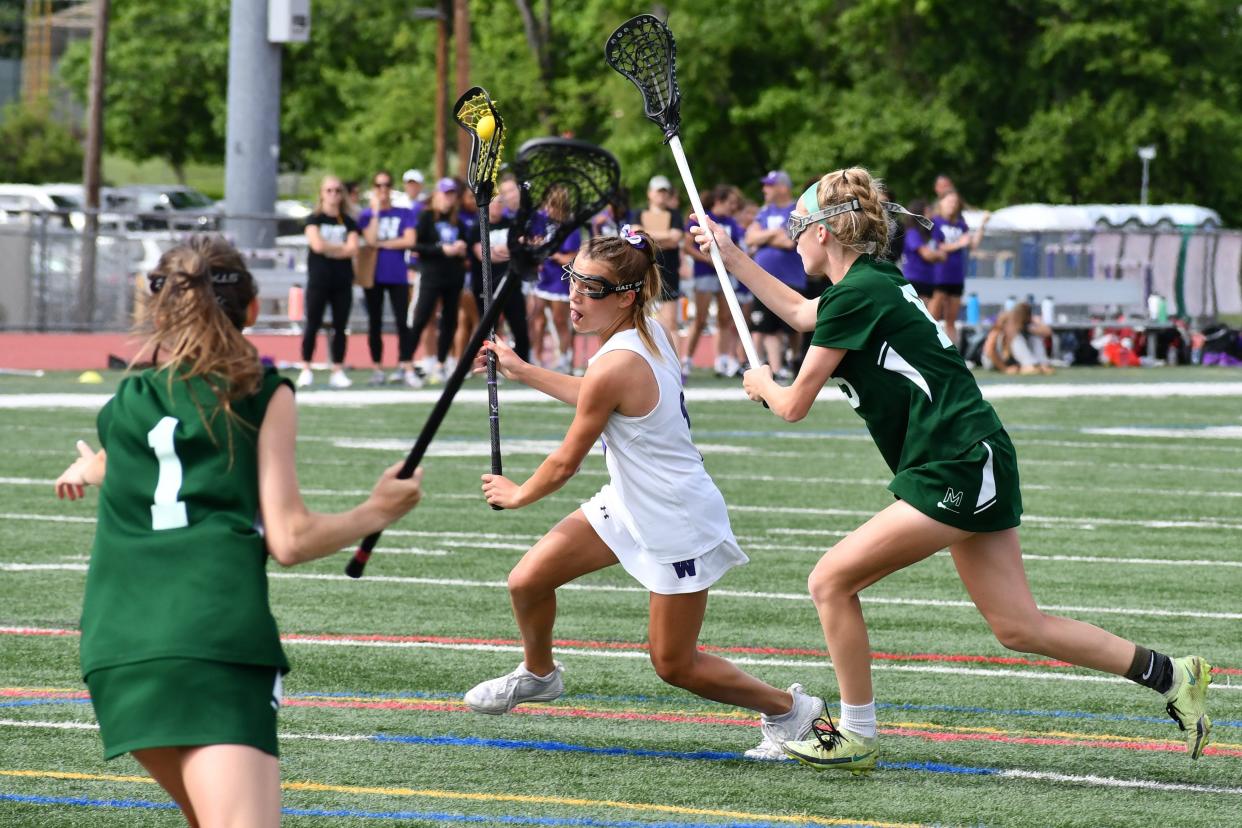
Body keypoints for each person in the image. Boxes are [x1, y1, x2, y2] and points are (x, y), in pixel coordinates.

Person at [689, 166, 1212, 773]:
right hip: (968, 455)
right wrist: (731, 258)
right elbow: (806, 316)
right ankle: (1173, 674)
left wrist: (761, 383)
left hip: (957, 462)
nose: (793, 241)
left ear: (825, 233)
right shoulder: (869, 280)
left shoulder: (858, 293)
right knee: (1018, 625)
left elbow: (793, 406)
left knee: (830, 582)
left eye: (797, 229)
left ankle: (856, 733)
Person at [52, 235, 424, 826]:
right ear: (252, 310)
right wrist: (377, 510)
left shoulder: (122, 405)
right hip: (211, 640)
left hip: (115, 648)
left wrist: (92, 466)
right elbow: (291, 538)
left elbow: (145, 456)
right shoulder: (259, 393)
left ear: (158, 309)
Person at [464, 226, 826, 760]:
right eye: (573, 280)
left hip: (674, 517)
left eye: (592, 288)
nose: (575, 297)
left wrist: (518, 495)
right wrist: (523, 371)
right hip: (629, 501)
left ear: (626, 295)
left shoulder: (618, 360)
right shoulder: (646, 332)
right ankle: (539, 673)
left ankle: (792, 712)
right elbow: (598, 398)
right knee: (527, 580)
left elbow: (567, 460)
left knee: (674, 664)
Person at [297, 175, 359, 389]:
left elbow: (353, 248)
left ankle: (337, 369)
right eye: (329, 190)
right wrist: (339, 249)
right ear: (322, 194)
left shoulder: (348, 221)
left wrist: (331, 248)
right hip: (319, 279)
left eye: (337, 190)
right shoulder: (314, 219)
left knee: (340, 326)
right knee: (312, 323)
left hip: (342, 280)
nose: (333, 194)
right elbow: (317, 246)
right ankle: (306, 367)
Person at [359, 170, 419, 386]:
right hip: (373, 275)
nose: (383, 190)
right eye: (378, 185)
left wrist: (384, 244)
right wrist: (375, 212)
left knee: (402, 322)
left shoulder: (404, 212)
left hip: (397, 274)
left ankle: (406, 364)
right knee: (374, 323)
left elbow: (410, 240)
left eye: (386, 185)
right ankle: (377, 367)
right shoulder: (366, 215)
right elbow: (370, 238)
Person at [408, 178, 470, 383]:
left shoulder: (457, 221)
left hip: (453, 277)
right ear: (436, 194)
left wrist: (461, 248)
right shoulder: (426, 217)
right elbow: (416, 246)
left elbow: (468, 248)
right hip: (431, 276)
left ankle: (441, 364)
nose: (448, 198)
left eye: (452, 194)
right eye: (445, 193)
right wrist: (440, 249)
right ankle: (406, 362)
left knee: (450, 320)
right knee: (422, 318)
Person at [745, 171, 805, 380]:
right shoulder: (764, 212)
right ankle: (778, 368)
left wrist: (763, 237)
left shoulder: (796, 210)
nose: (765, 190)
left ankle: (795, 356)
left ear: (782, 187)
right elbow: (750, 237)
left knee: (792, 325)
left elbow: (790, 241)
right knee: (768, 326)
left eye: (770, 185)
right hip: (764, 277)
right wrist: (774, 234)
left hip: (791, 277)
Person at [466, 173, 530, 361]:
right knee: (489, 327)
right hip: (486, 285)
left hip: (510, 283)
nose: (498, 205)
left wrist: (501, 250)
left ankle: (523, 361)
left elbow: (521, 250)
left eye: (500, 201)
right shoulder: (476, 227)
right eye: (494, 202)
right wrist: (508, 249)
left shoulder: (511, 224)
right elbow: (485, 255)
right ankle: (488, 362)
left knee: (519, 324)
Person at [684, 185, 744, 381]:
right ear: (719, 201)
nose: (733, 207)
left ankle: (722, 360)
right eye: (730, 203)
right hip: (705, 273)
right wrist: (708, 259)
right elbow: (687, 246)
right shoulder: (703, 216)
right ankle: (687, 360)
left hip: (726, 275)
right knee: (700, 319)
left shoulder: (731, 222)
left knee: (725, 318)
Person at [528, 186, 581, 373]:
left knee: (560, 320)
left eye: (554, 206)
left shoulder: (570, 226)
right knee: (537, 318)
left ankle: (565, 358)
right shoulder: (541, 218)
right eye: (549, 205)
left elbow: (571, 257)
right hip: (542, 276)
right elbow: (533, 240)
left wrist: (552, 253)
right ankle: (536, 356)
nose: (549, 210)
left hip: (560, 278)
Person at [930, 190, 988, 348]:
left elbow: (972, 244)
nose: (952, 205)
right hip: (939, 276)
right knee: (932, 317)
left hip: (957, 276)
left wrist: (983, 225)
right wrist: (958, 244)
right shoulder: (935, 222)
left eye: (955, 203)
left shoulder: (961, 225)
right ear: (941, 203)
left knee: (951, 319)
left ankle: (953, 353)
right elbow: (938, 246)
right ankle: (931, 350)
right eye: (949, 202)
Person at [632, 175, 684, 341]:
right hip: (644, 272)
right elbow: (637, 235)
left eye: (664, 192)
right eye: (658, 192)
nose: (662, 196)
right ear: (650, 193)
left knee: (670, 323)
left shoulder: (675, 215)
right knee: (642, 320)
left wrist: (648, 234)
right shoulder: (639, 213)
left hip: (669, 272)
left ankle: (675, 365)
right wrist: (665, 236)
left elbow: (675, 238)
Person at [982, 302, 1054, 375]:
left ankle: (1041, 364)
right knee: (1016, 338)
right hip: (994, 361)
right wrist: (1005, 369)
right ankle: (1029, 365)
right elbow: (990, 350)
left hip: (1013, 360)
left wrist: (1031, 328)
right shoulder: (1005, 320)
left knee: (1035, 337)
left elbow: (1048, 332)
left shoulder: (1027, 321)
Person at [900, 197, 944, 305]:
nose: (931, 215)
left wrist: (935, 255)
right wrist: (936, 255)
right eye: (928, 211)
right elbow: (927, 255)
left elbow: (944, 255)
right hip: (914, 279)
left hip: (929, 279)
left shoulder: (931, 233)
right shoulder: (912, 233)